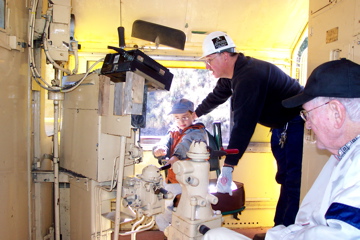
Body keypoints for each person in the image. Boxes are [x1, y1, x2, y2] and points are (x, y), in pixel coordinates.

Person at [203, 58, 360, 240]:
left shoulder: (356, 166)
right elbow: (309, 219)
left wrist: (229, 165)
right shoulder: (341, 155)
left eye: (308, 114)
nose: (307, 125)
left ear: (336, 113)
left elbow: (243, 124)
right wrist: (277, 234)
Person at [195, 31, 304, 226]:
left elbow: (243, 125)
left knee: (293, 182)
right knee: (285, 179)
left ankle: (286, 232)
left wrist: (228, 167)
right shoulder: (234, 73)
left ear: (225, 56)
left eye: (210, 60)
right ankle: (279, 230)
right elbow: (218, 95)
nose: (207, 66)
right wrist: (194, 114)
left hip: (297, 123)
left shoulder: (249, 77)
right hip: (282, 127)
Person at [152, 98, 207, 231]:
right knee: (161, 205)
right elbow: (164, 142)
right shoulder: (172, 131)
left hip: (192, 180)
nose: (181, 121)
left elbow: (186, 143)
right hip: (173, 179)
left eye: (185, 117)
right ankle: (168, 232)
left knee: (190, 209)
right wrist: (159, 149)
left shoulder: (198, 132)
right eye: (177, 118)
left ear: (193, 115)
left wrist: (176, 156)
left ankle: (187, 232)